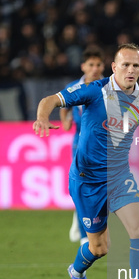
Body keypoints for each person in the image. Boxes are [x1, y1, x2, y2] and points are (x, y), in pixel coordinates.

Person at [33, 43, 139, 279]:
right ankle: (76, 271)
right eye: (125, 65)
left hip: (119, 177)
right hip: (86, 181)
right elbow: (50, 100)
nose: (130, 70)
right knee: (100, 248)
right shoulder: (94, 91)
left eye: (135, 66)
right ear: (114, 67)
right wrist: (41, 118)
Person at [59, 46, 105, 245]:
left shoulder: (109, 87)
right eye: (91, 64)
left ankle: (83, 223)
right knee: (84, 188)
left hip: (104, 146)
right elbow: (63, 105)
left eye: (98, 64)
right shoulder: (75, 87)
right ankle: (86, 237)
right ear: (83, 66)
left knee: (102, 191)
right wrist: (65, 120)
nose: (95, 68)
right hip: (80, 145)